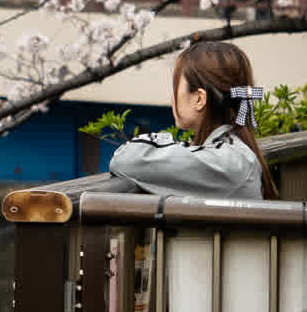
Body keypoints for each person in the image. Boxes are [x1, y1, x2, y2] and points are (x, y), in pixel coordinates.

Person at [109, 40, 278, 199]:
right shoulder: (231, 154)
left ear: (199, 99)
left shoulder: (228, 162)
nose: (172, 98)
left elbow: (127, 159)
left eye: (176, 86)